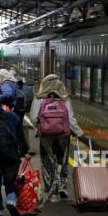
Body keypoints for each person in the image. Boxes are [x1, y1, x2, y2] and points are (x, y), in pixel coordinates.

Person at [30, 74, 85, 202]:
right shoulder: (64, 98)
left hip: (46, 136)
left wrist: (42, 125)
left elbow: (33, 118)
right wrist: (80, 133)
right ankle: (62, 187)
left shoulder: (39, 98)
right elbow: (71, 119)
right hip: (63, 135)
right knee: (62, 159)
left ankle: (51, 190)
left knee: (47, 159)